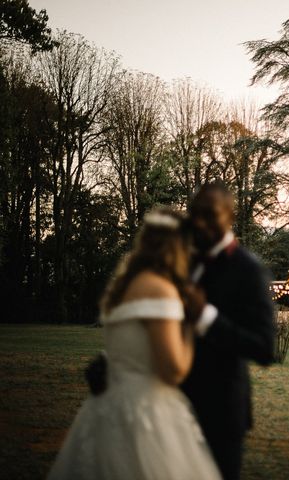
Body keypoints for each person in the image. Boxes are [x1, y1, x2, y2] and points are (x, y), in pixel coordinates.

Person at [48, 208, 221, 480]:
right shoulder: (161, 289)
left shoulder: (121, 287)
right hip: (147, 413)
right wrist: (189, 326)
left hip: (105, 408)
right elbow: (173, 371)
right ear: (176, 247)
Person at [181, 181, 275, 480]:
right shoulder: (183, 261)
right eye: (195, 214)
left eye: (209, 214)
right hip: (174, 406)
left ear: (230, 216)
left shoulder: (248, 269)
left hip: (220, 411)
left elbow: (264, 346)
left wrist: (206, 316)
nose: (199, 222)